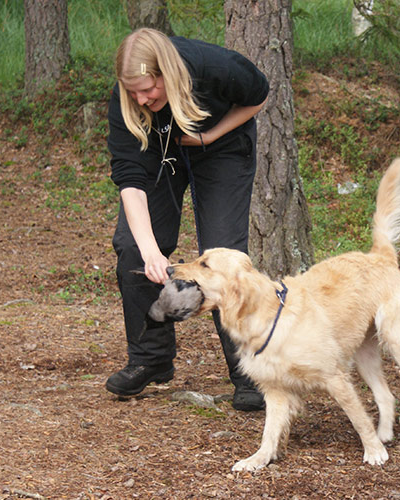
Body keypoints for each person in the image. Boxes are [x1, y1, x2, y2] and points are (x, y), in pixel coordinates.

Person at [104, 28, 269, 411]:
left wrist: (209, 136)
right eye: (133, 93)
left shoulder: (216, 68)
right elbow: (130, 178)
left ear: (167, 73)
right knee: (132, 245)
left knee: (224, 252)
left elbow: (257, 96)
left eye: (148, 90)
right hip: (163, 154)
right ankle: (151, 357)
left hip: (222, 147)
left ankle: (248, 371)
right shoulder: (126, 101)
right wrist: (149, 251)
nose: (141, 99)